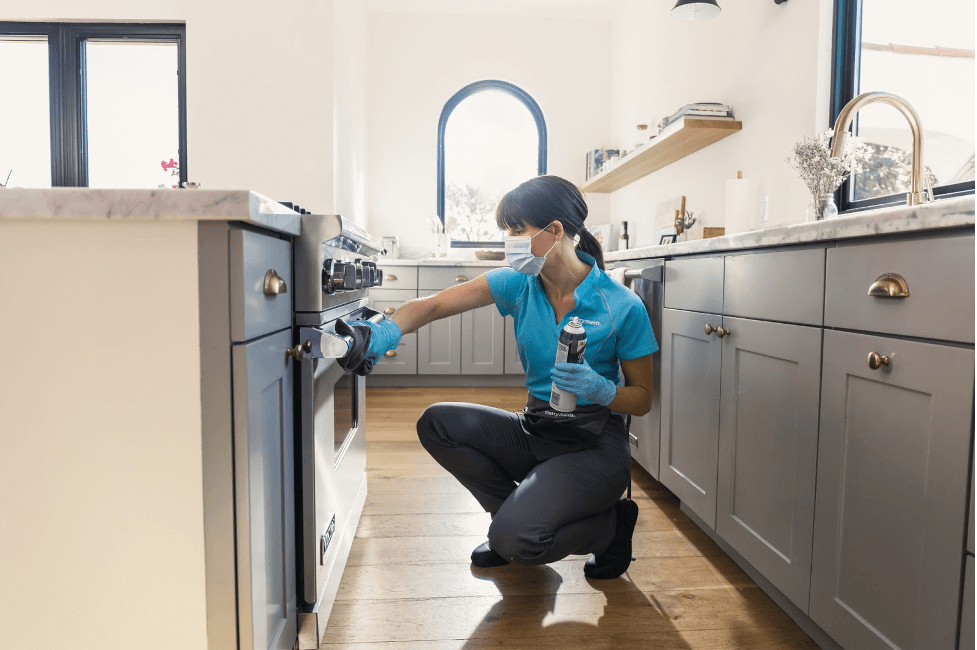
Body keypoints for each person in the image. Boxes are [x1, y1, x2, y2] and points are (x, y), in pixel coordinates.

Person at [352, 175, 658, 579]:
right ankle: (511, 519)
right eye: (506, 231)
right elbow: (432, 306)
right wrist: (385, 331)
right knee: (437, 423)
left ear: (554, 232)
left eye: (517, 230)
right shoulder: (520, 283)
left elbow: (643, 399)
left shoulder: (621, 305)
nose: (508, 241)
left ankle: (610, 527)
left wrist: (600, 389)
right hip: (537, 428)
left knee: (519, 542)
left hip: (593, 444)